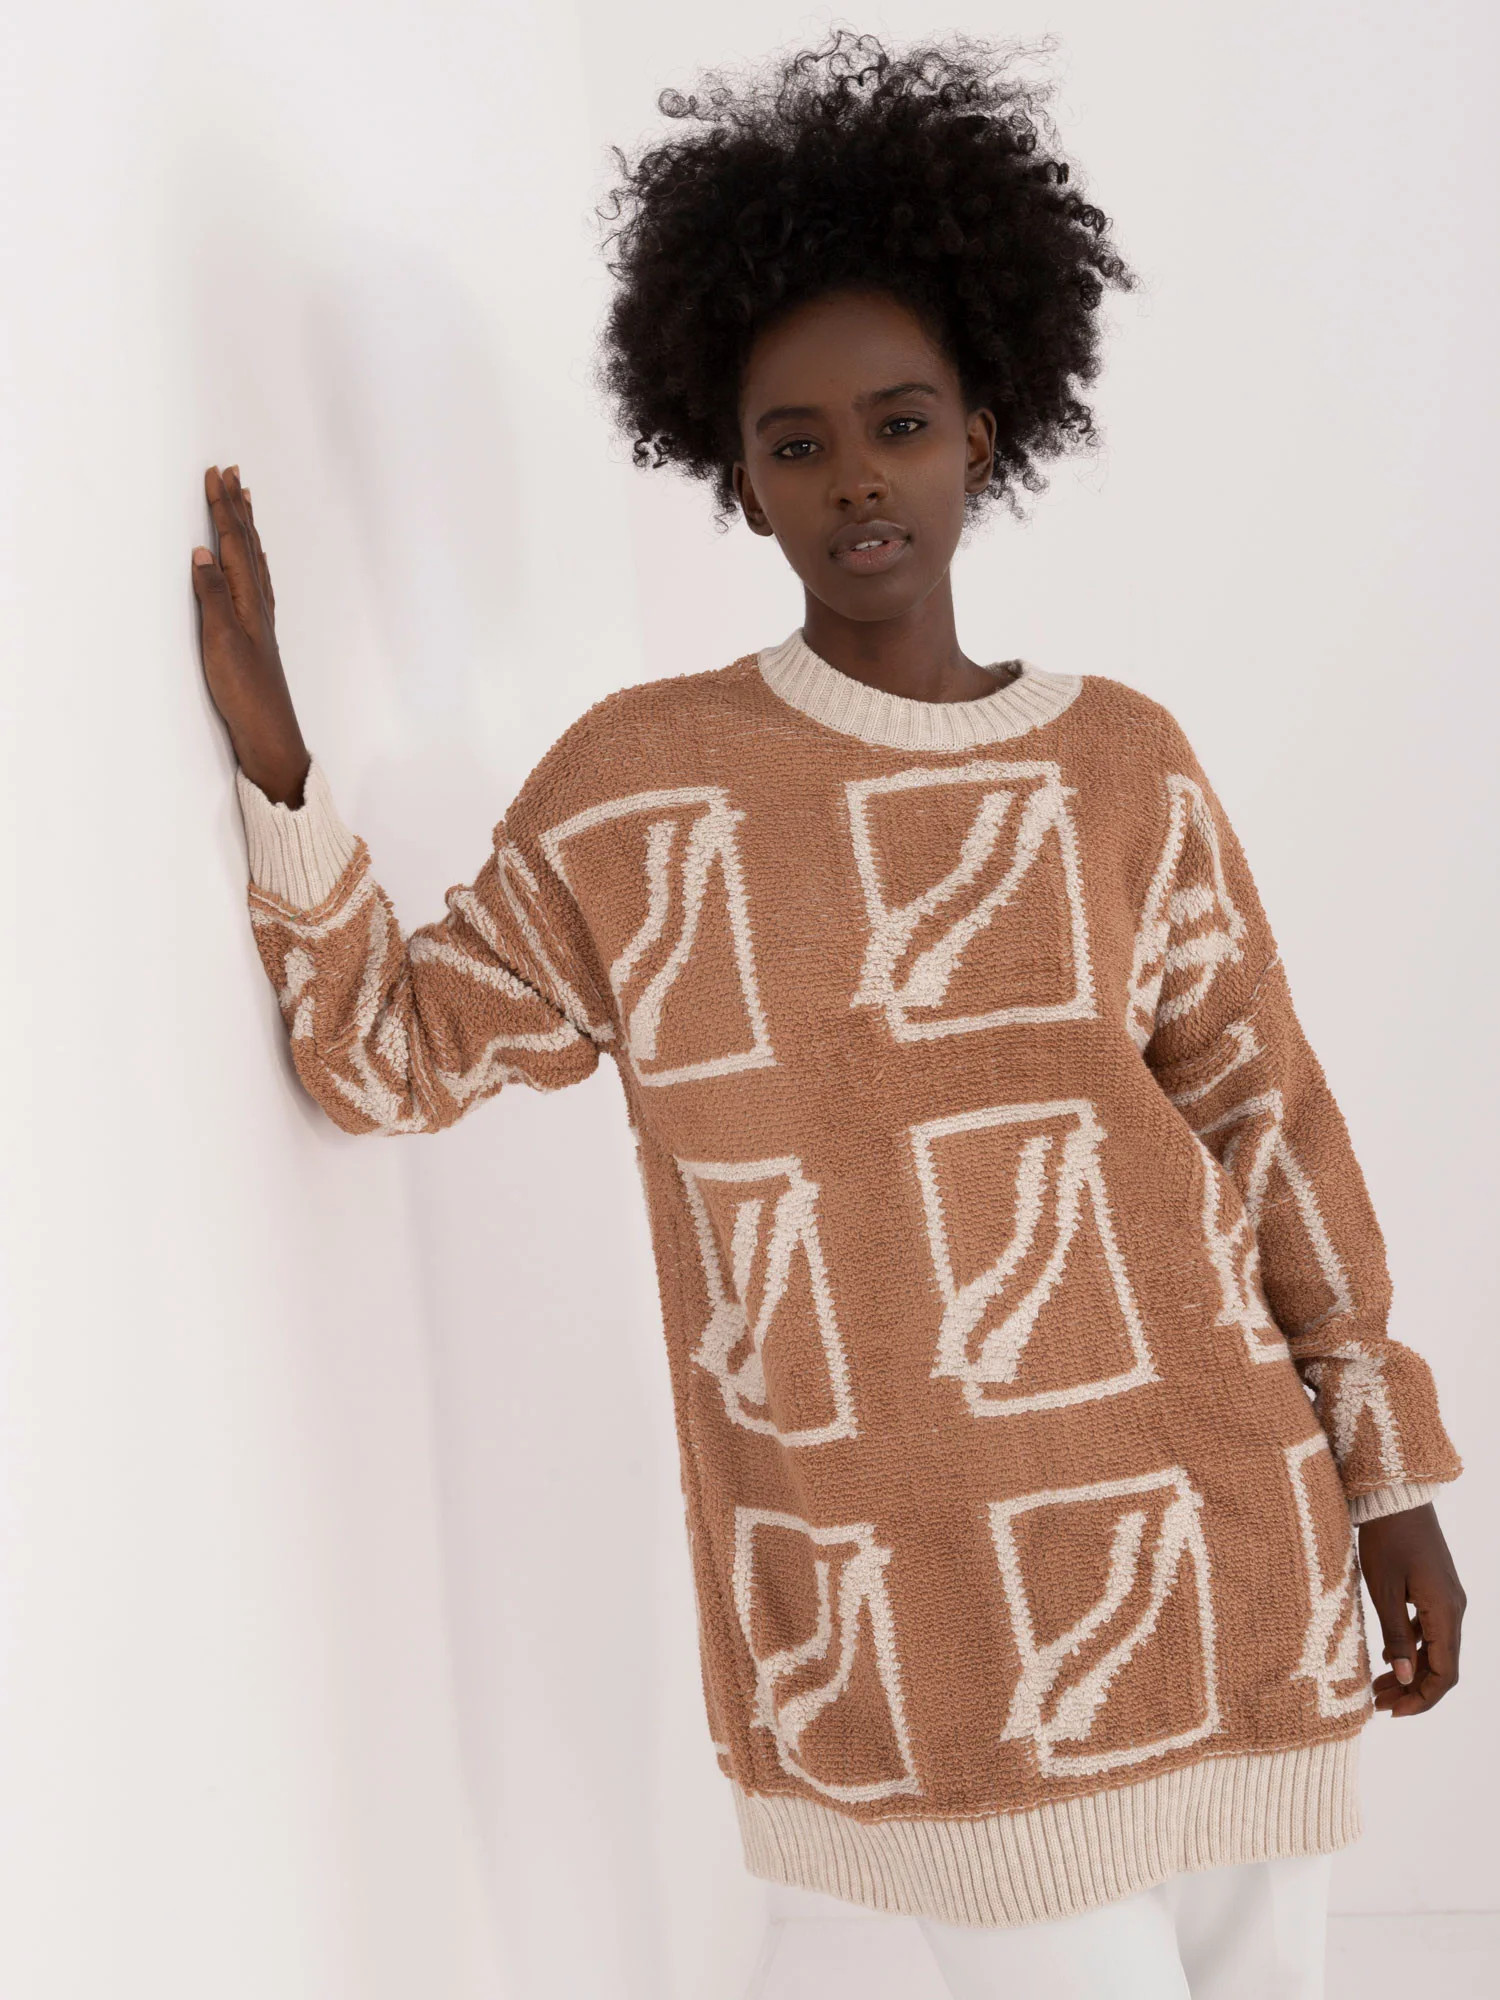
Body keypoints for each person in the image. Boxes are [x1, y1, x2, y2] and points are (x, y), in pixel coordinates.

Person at [191, 32, 1465, 1999]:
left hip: (1233, 1542)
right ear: (739, 477)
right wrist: (281, 767)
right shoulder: (643, 791)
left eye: (901, 421)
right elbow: (387, 1056)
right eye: (797, 444)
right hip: (930, 1619)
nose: (857, 473)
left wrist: (1389, 1485)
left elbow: (1267, 1125)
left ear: (985, 434)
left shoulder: (1123, 763)